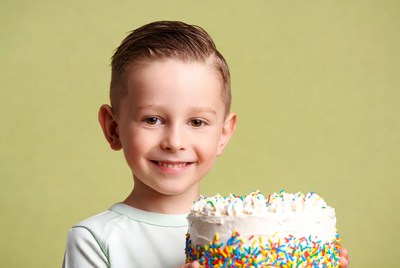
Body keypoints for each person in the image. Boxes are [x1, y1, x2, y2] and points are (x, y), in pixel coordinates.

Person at [62, 21, 349, 268]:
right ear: (113, 128)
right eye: (152, 119)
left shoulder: (253, 234)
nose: (175, 142)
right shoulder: (96, 239)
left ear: (223, 134)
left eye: (197, 122)